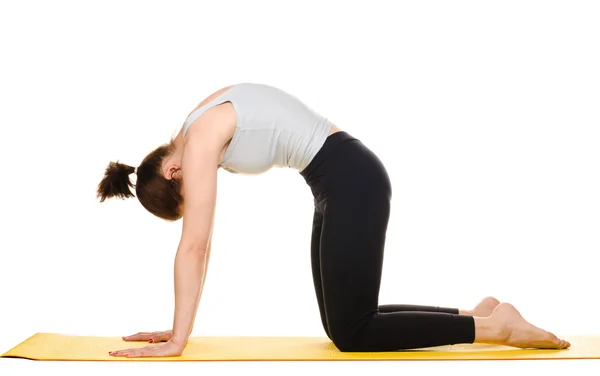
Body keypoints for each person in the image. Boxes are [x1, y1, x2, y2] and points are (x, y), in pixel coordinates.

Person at [97, 83, 570, 358]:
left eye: (189, 193)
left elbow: (195, 243)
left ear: (173, 171)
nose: (204, 186)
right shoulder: (197, 120)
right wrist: (181, 329)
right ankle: (475, 315)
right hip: (335, 183)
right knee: (341, 324)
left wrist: (179, 337)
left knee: (352, 332)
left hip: (351, 180)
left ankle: (497, 328)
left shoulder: (198, 141)